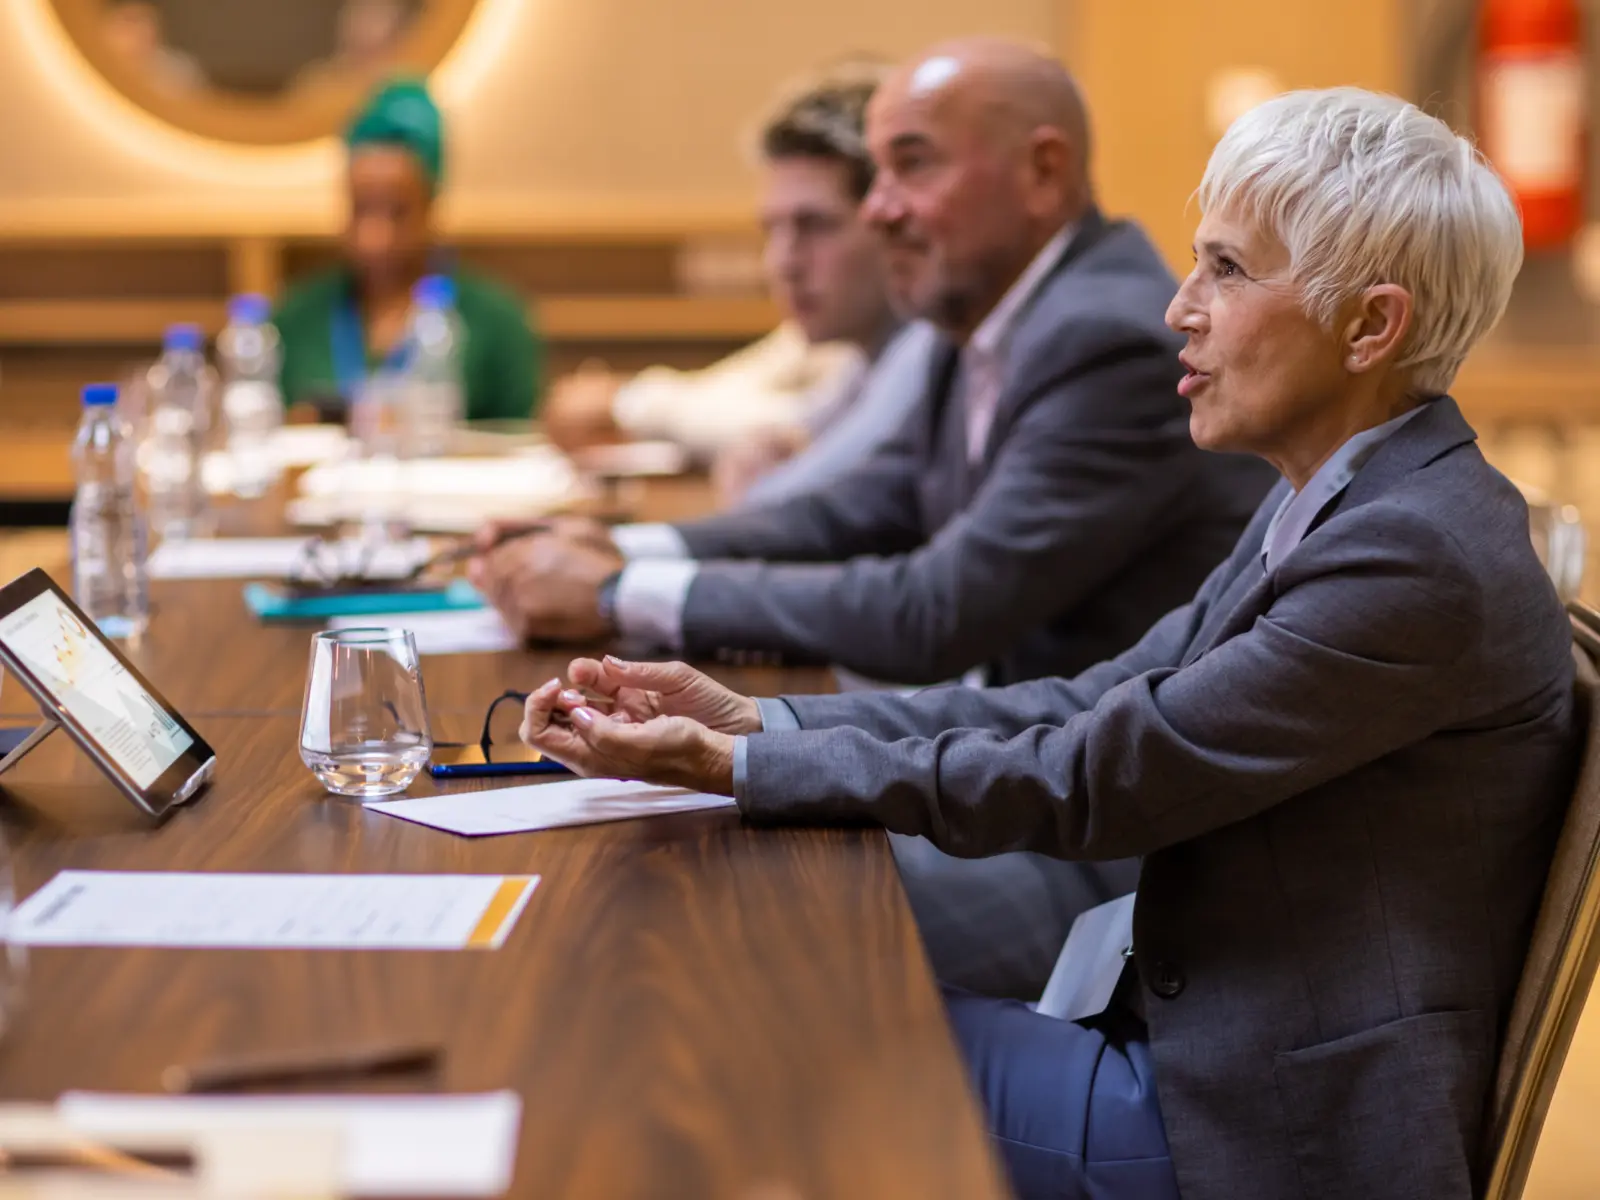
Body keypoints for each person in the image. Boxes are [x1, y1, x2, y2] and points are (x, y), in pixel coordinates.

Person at [517, 87, 1580, 1200]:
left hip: (1254, 1125)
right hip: (1205, 1025)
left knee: (743, 1000)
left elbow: (1100, 774)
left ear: (1370, 326)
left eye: (1225, 270)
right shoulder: (1345, 493)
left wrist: (743, 767)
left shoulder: (1408, 553)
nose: (1179, 307)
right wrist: (765, 722)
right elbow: (1097, 696)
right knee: (743, 946)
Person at [475, 40, 1277, 1000]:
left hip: (1102, 851)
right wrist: (626, 552)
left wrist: (614, 590)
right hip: (1009, 766)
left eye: (912, 164)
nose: (877, 206)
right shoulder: (986, 311)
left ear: (1043, 170)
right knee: (663, 846)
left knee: (692, 906)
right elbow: (860, 506)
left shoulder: (1101, 332)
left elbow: (941, 610)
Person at [544, 62, 933, 507]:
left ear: (891, 216)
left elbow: (797, 453)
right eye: (772, 230)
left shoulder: (927, 345)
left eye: (815, 226)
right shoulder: (847, 339)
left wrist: (628, 403)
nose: (783, 262)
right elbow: (728, 393)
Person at [274, 79, 543, 422]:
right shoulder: (295, 319)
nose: (375, 236)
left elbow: (525, 444)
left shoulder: (496, 321)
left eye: (396, 212)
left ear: (432, 208)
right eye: (362, 210)